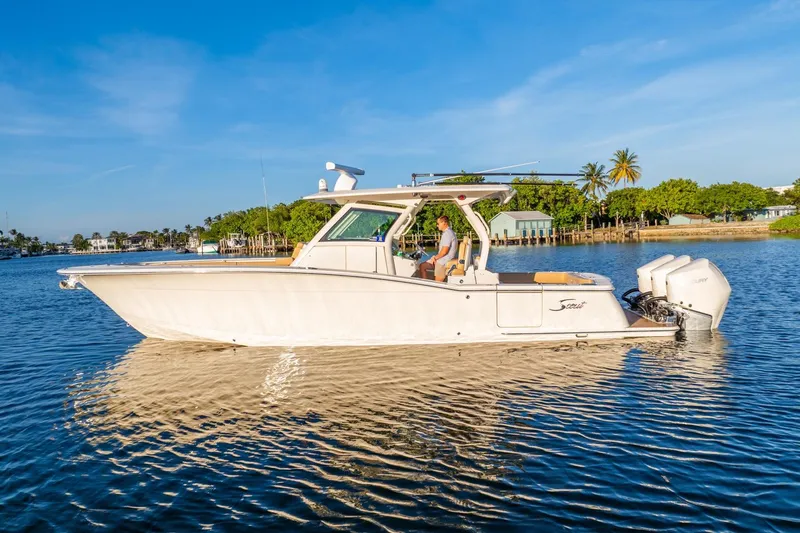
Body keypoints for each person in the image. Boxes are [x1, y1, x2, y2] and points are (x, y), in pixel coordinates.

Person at [418, 215, 457, 281]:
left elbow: (444, 252)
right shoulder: (449, 232)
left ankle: (429, 286)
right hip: (443, 259)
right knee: (422, 266)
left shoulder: (447, 234)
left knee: (438, 283)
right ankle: (425, 284)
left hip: (443, 262)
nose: (437, 225)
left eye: (438, 223)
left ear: (444, 223)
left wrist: (435, 258)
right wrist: (435, 257)